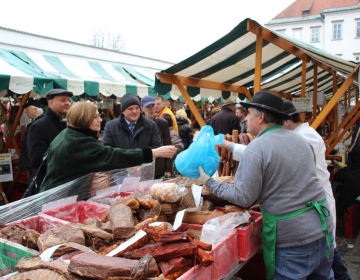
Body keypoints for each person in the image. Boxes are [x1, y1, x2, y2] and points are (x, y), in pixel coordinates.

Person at [196, 91, 334, 280]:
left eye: (249, 113)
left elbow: (243, 197)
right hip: (322, 230)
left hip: (294, 240)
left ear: (260, 117)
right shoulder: (300, 140)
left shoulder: (258, 147)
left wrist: (208, 181)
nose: (246, 117)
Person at [282, 100, 350, 280]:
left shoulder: (304, 137)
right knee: (329, 253)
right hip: (315, 201)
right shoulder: (302, 133)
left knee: (329, 254)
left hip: (318, 201)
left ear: (287, 121)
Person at [40, 102, 177, 192]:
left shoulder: (68, 134)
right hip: (60, 198)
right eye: (95, 117)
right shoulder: (78, 142)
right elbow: (111, 155)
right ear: (83, 119)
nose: (100, 120)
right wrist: (152, 153)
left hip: (55, 192)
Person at [27, 89, 73, 189]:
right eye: (62, 100)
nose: (67, 103)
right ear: (50, 103)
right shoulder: (38, 126)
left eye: (69, 100)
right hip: (48, 185)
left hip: (68, 183)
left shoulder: (70, 124)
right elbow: (36, 160)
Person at [141, 95, 173, 178]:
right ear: (142, 108)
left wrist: (168, 169)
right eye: (148, 106)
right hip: (142, 167)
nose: (151, 109)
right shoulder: (137, 124)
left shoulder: (162, 123)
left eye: (153, 106)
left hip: (159, 167)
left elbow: (168, 145)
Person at [18, 99, 44, 175]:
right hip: (34, 162)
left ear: (35, 109)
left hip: (36, 162)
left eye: (27, 109)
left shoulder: (40, 122)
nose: (26, 111)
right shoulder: (38, 121)